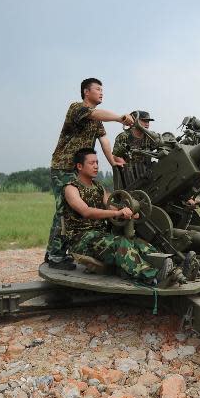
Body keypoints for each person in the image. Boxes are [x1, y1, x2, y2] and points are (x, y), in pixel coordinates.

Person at [46, 77, 135, 270]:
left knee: (82, 206)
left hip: (81, 169)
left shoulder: (97, 121)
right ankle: (55, 255)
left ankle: (58, 250)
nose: (102, 92)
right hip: (63, 167)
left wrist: (112, 161)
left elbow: (104, 141)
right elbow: (96, 115)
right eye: (98, 89)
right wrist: (120, 117)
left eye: (102, 89)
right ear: (87, 92)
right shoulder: (77, 108)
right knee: (64, 210)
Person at [62, 148, 180, 286]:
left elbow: (110, 206)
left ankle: (168, 267)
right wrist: (117, 213)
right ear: (79, 166)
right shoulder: (71, 188)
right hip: (81, 239)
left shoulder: (98, 187)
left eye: (97, 162)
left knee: (137, 243)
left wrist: (129, 211)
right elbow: (86, 211)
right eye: (92, 163)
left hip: (100, 236)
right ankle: (152, 277)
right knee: (120, 244)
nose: (96, 166)